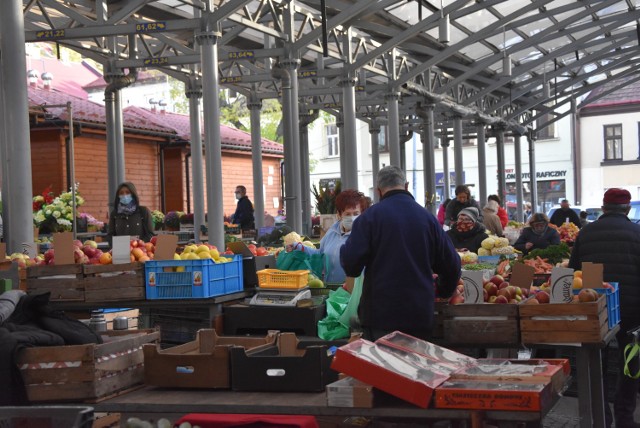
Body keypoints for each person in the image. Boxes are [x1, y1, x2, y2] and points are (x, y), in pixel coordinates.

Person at [340, 166, 461, 341]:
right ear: (406, 185)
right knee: (415, 366)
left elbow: (351, 265)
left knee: (384, 367)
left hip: (380, 316)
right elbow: (452, 265)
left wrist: (346, 247)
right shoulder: (427, 219)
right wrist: (444, 290)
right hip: (419, 315)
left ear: (378, 191)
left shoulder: (368, 219)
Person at [569, 188, 640, 428]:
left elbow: (573, 271)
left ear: (603, 207)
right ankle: (625, 417)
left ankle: (601, 418)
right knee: (630, 362)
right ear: (627, 209)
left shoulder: (586, 233)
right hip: (632, 309)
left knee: (595, 362)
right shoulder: (637, 232)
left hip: (594, 305)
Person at [288, 189, 368, 284]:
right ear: (339, 214)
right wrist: (299, 247)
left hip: (354, 292)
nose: (352, 217)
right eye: (347, 214)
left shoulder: (365, 236)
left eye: (356, 214)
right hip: (330, 289)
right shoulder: (332, 231)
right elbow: (320, 253)